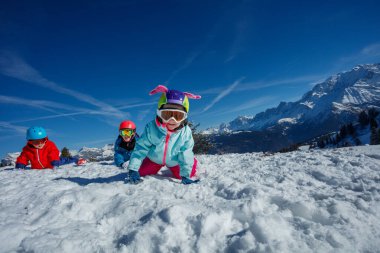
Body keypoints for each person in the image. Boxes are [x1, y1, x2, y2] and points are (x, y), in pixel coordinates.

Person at [125, 85, 201, 185]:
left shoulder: (185, 132)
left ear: (184, 117)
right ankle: (143, 167)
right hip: (154, 159)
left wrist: (185, 174)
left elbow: (186, 152)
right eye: (167, 115)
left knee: (187, 173)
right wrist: (133, 169)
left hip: (175, 161)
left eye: (178, 116)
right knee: (140, 172)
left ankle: (193, 163)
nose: (172, 121)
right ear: (159, 114)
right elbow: (141, 148)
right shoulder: (151, 128)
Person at [15, 126, 86, 169]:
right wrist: (20, 164)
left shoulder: (49, 144)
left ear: (45, 139)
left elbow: (54, 152)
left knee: (65, 160)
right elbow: (23, 158)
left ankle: (76, 160)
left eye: (42, 140)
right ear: (30, 141)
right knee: (64, 160)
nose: (40, 143)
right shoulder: (27, 149)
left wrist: (54, 161)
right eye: (36, 142)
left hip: (53, 162)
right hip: (37, 167)